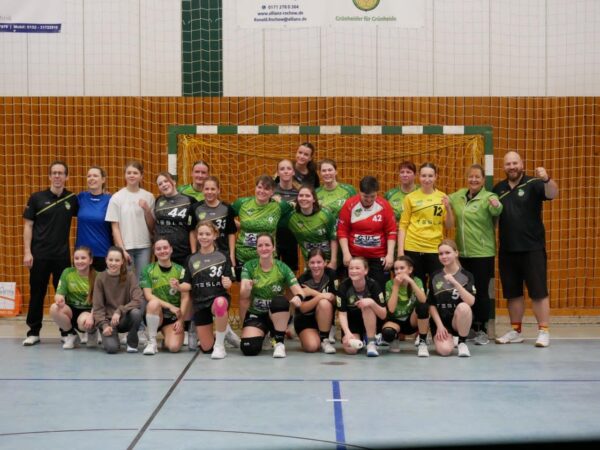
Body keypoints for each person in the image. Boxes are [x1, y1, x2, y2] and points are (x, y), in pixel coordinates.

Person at [493, 151, 558, 348]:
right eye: (508, 164)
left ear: (521, 164)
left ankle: (543, 331)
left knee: (539, 292)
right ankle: (516, 331)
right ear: (503, 167)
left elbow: (552, 193)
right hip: (507, 250)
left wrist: (546, 179)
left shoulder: (534, 183)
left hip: (533, 248)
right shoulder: (498, 189)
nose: (512, 167)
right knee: (513, 293)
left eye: (515, 163)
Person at [22, 160, 79, 346]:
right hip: (39, 255)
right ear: (49, 176)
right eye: (54, 173)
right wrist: (27, 252)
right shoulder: (36, 198)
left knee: (64, 297)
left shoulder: (72, 199)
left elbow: (88, 212)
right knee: (37, 294)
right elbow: (28, 226)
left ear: (66, 177)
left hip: (62, 256)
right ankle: (33, 332)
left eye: (61, 173)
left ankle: (66, 331)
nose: (57, 176)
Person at [449, 164, 503, 345]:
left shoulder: (489, 197)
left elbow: (497, 209)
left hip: (482, 254)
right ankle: (468, 327)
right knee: (464, 291)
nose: (473, 180)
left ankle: (482, 330)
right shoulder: (459, 196)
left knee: (480, 291)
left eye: (477, 177)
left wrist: (496, 205)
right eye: (471, 176)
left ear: (483, 180)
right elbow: (443, 198)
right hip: (462, 255)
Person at [238, 234, 305, 358]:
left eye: (267, 245)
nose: (264, 248)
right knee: (249, 348)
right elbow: (243, 295)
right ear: (256, 249)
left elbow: (299, 291)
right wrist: (247, 289)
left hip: (275, 313)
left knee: (280, 301)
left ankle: (279, 342)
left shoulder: (282, 267)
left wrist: (298, 297)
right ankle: (264, 334)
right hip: (257, 314)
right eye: (260, 245)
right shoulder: (249, 266)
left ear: (273, 248)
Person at [178, 221, 237, 359]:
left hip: (217, 298)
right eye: (201, 234)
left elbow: (229, 280)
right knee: (206, 348)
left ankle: (220, 346)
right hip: (200, 303)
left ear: (215, 235)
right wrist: (178, 286)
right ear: (196, 236)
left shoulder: (223, 256)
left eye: (207, 234)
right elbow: (187, 284)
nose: (204, 237)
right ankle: (224, 331)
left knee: (220, 303)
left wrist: (228, 283)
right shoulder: (191, 259)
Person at [398, 162, 454, 288]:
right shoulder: (410, 198)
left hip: (434, 248)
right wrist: (401, 251)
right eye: (424, 176)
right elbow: (403, 225)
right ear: (419, 177)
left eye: (430, 176)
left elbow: (449, 225)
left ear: (436, 177)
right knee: (416, 287)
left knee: (437, 287)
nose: (427, 179)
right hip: (413, 248)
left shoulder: (442, 197)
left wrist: (448, 208)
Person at [337, 175, 397, 289]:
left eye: (372, 196)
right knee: (353, 289)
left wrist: (390, 255)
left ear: (377, 193)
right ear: (359, 192)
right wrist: (346, 253)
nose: (369, 200)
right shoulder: (349, 205)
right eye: (365, 197)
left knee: (379, 289)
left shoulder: (384, 206)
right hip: (355, 256)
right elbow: (342, 231)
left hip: (378, 257)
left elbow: (391, 232)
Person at [231, 175, 293, 278]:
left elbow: (298, 205)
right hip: (243, 257)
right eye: (259, 187)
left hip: (268, 258)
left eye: (266, 189)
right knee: (246, 287)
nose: (262, 191)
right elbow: (226, 216)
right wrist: (241, 226)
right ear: (255, 188)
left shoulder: (279, 206)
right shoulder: (242, 203)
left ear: (272, 192)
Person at [105, 161, 155, 281]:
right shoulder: (116, 197)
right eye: (129, 173)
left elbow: (152, 226)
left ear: (141, 176)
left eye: (135, 173)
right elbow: (115, 227)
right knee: (125, 282)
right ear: (125, 175)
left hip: (144, 246)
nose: (132, 175)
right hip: (125, 247)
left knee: (142, 282)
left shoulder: (149, 196)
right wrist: (122, 249)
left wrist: (147, 210)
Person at [428, 239, 476, 357]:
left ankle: (462, 342)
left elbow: (471, 302)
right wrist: (439, 326)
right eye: (441, 254)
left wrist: (455, 282)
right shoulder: (435, 276)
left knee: (464, 307)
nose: (444, 256)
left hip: (458, 319)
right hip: (441, 321)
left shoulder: (467, 275)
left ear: (456, 253)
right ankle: (449, 338)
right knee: (444, 351)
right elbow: (431, 304)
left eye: (447, 253)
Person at [139, 238, 187, 355]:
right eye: (158, 249)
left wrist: (181, 320)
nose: (162, 251)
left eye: (165, 248)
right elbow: (148, 295)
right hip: (156, 313)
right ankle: (152, 342)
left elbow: (185, 297)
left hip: (172, 317)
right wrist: (170, 306)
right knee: (153, 303)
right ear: (154, 252)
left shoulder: (180, 270)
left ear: (171, 249)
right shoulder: (148, 270)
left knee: (174, 347)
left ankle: (164, 342)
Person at [92, 246, 144, 354]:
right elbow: (98, 307)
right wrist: (104, 326)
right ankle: (111, 337)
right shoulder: (100, 278)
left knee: (136, 313)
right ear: (106, 260)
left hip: (124, 318)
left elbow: (138, 299)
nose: (113, 263)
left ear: (122, 261)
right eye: (110, 260)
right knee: (112, 348)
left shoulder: (130, 276)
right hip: (108, 321)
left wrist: (120, 310)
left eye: (117, 260)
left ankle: (132, 342)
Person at [336, 256, 387, 357]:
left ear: (366, 270)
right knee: (351, 350)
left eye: (357, 268)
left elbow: (383, 315)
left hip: (371, 323)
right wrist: (347, 333)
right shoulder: (343, 286)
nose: (353, 271)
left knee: (366, 304)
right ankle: (362, 339)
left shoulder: (373, 285)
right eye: (351, 268)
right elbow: (342, 314)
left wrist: (372, 302)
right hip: (353, 324)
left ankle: (371, 342)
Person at [49, 246, 98, 349]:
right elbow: (59, 294)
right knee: (54, 308)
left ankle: (92, 332)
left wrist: (91, 316)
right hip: (71, 310)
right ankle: (71, 334)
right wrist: (59, 300)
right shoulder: (67, 272)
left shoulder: (97, 276)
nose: (79, 261)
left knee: (84, 323)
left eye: (83, 258)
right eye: (76, 258)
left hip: (88, 311)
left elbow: (99, 302)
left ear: (90, 260)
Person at [380, 256, 430, 356]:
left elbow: (423, 300)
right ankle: (394, 338)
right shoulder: (390, 284)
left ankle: (422, 343)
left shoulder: (417, 281)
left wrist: (411, 282)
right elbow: (391, 309)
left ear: (410, 270)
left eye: (402, 268)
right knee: (387, 334)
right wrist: (396, 286)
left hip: (411, 321)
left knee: (423, 307)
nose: (398, 271)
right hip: (395, 320)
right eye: (396, 269)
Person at [291, 249, 337, 354]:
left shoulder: (331, 275)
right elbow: (302, 309)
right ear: (308, 263)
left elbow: (334, 300)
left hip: (324, 317)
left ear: (325, 263)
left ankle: (324, 339)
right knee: (311, 347)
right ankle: (307, 335)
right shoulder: (303, 279)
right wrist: (321, 296)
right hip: (306, 320)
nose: (316, 266)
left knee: (324, 303)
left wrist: (312, 293)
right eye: (312, 262)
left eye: (319, 262)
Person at [287, 185, 337, 269]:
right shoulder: (291, 217)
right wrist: (288, 204)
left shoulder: (325, 215)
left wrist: (333, 261)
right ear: (297, 198)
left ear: (314, 199)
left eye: (307, 196)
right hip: (310, 265)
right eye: (301, 195)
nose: (304, 198)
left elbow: (333, 238)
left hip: (328, 263)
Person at [191, 176, 237, 266]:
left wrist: (231, 255)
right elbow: (192, 232)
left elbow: (231, 233)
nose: (209, 192)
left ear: (218, 190)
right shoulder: (195, 208)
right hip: (202, 255)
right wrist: (193, 254)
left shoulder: (227, 208)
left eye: (213, 189)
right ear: (202, 190)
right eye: (206, 189)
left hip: (223, 253)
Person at [153, 172, 196, 266]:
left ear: (174, 182)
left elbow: (194, 228)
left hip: (183, 251)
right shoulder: (158, 200)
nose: (163, 185)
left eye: (166, 181)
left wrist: (194, 252)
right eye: (160, 184)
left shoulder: (189, 200)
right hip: (162, 251)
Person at [76, 166, 112, 271]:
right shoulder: (81, 197)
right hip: (82, 255)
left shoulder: (110, 199)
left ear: (103, 179)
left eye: (95, 176)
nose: (91, 178)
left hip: (102, 253)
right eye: (89, 176)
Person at [273, 159, 300, 272]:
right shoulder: (271, 191)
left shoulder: (300, 193)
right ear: (278, 173)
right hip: (273, 236)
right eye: (282, 169)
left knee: (290, 273)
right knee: (272, 272)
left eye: (289, 168)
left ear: (293, 172)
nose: (285, 171)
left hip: (291, 237)